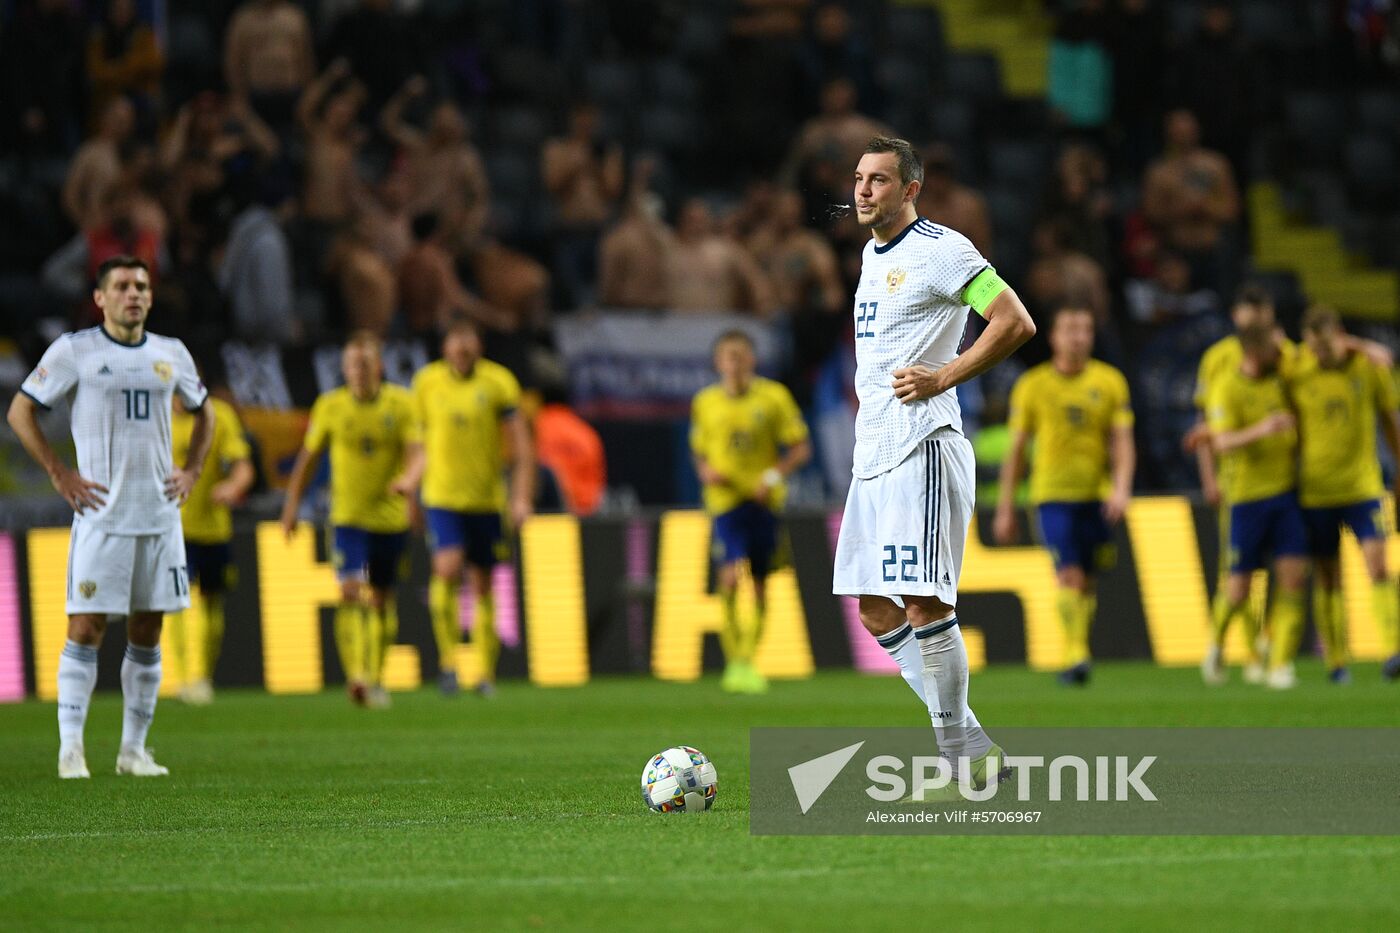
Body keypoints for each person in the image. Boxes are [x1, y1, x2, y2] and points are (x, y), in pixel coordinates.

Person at [832, 137, 1036, 799]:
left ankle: (957, 755)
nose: (864, 191)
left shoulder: (943, 249)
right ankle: (971, 741)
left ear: (911, 189)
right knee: (874, 609)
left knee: (924, 602)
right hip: (876, 448)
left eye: (880, 181)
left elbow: (1014, 320)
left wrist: (945, 374)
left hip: (924, 443)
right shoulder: (871, 254)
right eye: (860, 179)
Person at [7, 255, 214, 779]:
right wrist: (59, 473)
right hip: (103, 515)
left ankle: (133, 751)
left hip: (161, 518)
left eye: (141, 286)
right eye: (121, 286)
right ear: (100, 298)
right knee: (86, 626)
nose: (134, 294)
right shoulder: (77, 351)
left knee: (148, 630)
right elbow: (20, 410)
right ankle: (71, 749)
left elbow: (205, 411)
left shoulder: (172, 354)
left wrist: (191, 470)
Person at [994, 306, 1134, 685]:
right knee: (1068, 573)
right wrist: (1006, 507)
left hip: (1096, 495)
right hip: (1051, 495)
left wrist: (1121, 488)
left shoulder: (1110, 382)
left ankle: (1077, 649)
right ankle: (1076, 656)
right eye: (1070, 329)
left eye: (1085, 329)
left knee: (1087, 579)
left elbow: (1121, 442)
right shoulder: (1032, 386)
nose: (1078, 337)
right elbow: (1017, 451)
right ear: (1053, 337)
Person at [279, 332, 420, 708]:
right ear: (343, 369)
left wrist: (410, 479)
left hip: (390, 519)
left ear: (380, 367)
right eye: (351, 365)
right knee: (349, 591)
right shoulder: (330, 406)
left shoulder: (402, 405)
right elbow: (306, 461)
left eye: (365, 364)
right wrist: (291, 506)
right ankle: (357, 675)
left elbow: (418, 453)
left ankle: (376, 676)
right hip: (347, 517)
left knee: (382, 599)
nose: (358, 371)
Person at [405, 321, 533, 697]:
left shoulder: (499, 382)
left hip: (487, 500)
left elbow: (522, 447)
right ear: (445, 346)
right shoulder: (426, 383)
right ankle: (447, 663)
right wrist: (411, 494)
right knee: (446, 567)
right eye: (454, 340)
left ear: (478, 344)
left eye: (468, 339)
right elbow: (417, 444)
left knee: (483, 582)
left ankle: (485, 674)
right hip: (442, 497)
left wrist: (521, 496)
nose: (461, 347)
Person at [690, 330, 812, 693]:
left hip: (763, 501)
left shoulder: (773, 398)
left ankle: (748, 660)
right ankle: (735, 662)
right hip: (724, 502)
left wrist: (772, 476)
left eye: (742, 355)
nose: (736, 363)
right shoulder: (705, 402)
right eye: (729, 356)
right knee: (728, 576)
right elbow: (699, 450)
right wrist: (705, 471)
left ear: (752, 360)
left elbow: (800, 448)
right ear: (718, 362)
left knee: (759, 584)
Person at [1289, 306, 1400, 683]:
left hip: (1363, 487)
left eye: (1326, 347)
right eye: (1313, 348)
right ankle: (1336, 662)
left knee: (1379, 565)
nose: (1319, 355)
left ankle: (1393, 650)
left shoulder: (1369, 369)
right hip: (1316, 492)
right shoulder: (1297, 371)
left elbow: (1390, 420)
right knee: (1327, 577)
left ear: (1340, 337)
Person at [1203, 325, 1307, 690]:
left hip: (1286, 495)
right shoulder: (1227, 386)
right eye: (1274, 349)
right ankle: (1215, 644)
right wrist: (1263, 429)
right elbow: (1222, 442)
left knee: (1293, 579)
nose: (1281, 355)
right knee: (1238, 590)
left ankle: (1279, 664)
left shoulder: (1283, 384)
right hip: (1245, 500)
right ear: (1254, 351)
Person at [165, 389, 255, 705]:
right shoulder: (152, 415)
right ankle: (185, 677)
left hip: (214, 528)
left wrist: (233, 485)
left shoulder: (219, 415)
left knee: (212, 602)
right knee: (177, 601)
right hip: (170, 529)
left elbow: (243, 465)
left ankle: (203, 676)